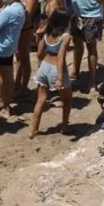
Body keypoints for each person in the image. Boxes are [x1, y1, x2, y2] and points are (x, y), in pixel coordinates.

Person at [29, 10, 73, 138]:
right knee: (67, 99)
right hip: (56, 69)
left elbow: (39, 53)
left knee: (41, 99)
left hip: (44, 66)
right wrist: (59, 78)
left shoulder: (47, 33)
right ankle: (64, 126)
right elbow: (61, 57)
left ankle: (34, 129)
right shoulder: (65, 37)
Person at [13, 0, 40, 97]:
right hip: (19, 27)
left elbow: (27, 13)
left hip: (26, 28)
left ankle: (23, 86)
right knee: (18, 57)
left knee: (24, 57)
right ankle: (16, 84)